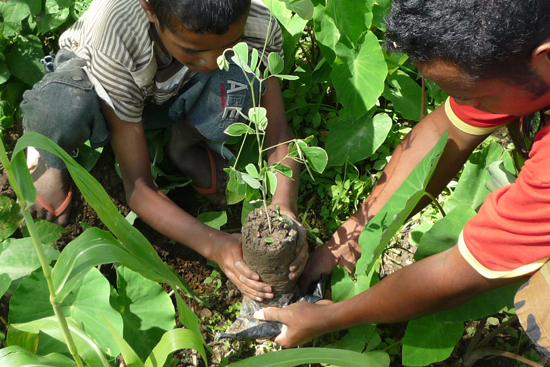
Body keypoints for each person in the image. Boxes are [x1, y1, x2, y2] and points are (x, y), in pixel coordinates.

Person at [255, 0, 550, 357]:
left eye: (469, 94)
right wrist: (346, 241)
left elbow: (465, 270)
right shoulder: (518, 49)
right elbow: (445, 132)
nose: (465, 104)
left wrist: (330, 317)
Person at [20, 0, 307, 302]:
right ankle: (47, 155)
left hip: (174, 90)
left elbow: (277, 131)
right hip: (102, 91)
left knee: (244, 76)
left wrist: (284, 206)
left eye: (228, 44)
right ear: (150, 9)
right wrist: (215, 244)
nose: (212, 62)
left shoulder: (256, 25)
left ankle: (182, 145)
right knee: (63, 108)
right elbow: (139, 187)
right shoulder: (117, 35)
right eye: (193, 49)